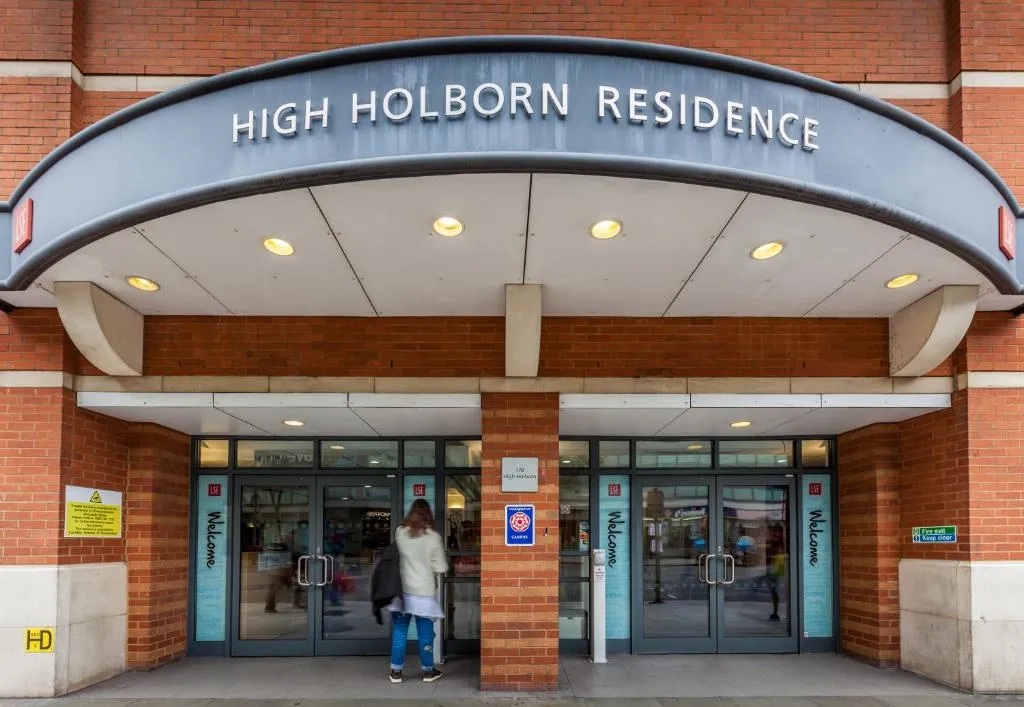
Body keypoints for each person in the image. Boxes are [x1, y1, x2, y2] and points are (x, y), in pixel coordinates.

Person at [388, 499, 448, 684]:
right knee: (425, 633)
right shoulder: (433, 537)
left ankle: (396, 672)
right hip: (423, 592)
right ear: (428, 514)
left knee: (400, 631)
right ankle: (428, 671)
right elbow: (441, 567)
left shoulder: (400, 532)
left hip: (401, 591)